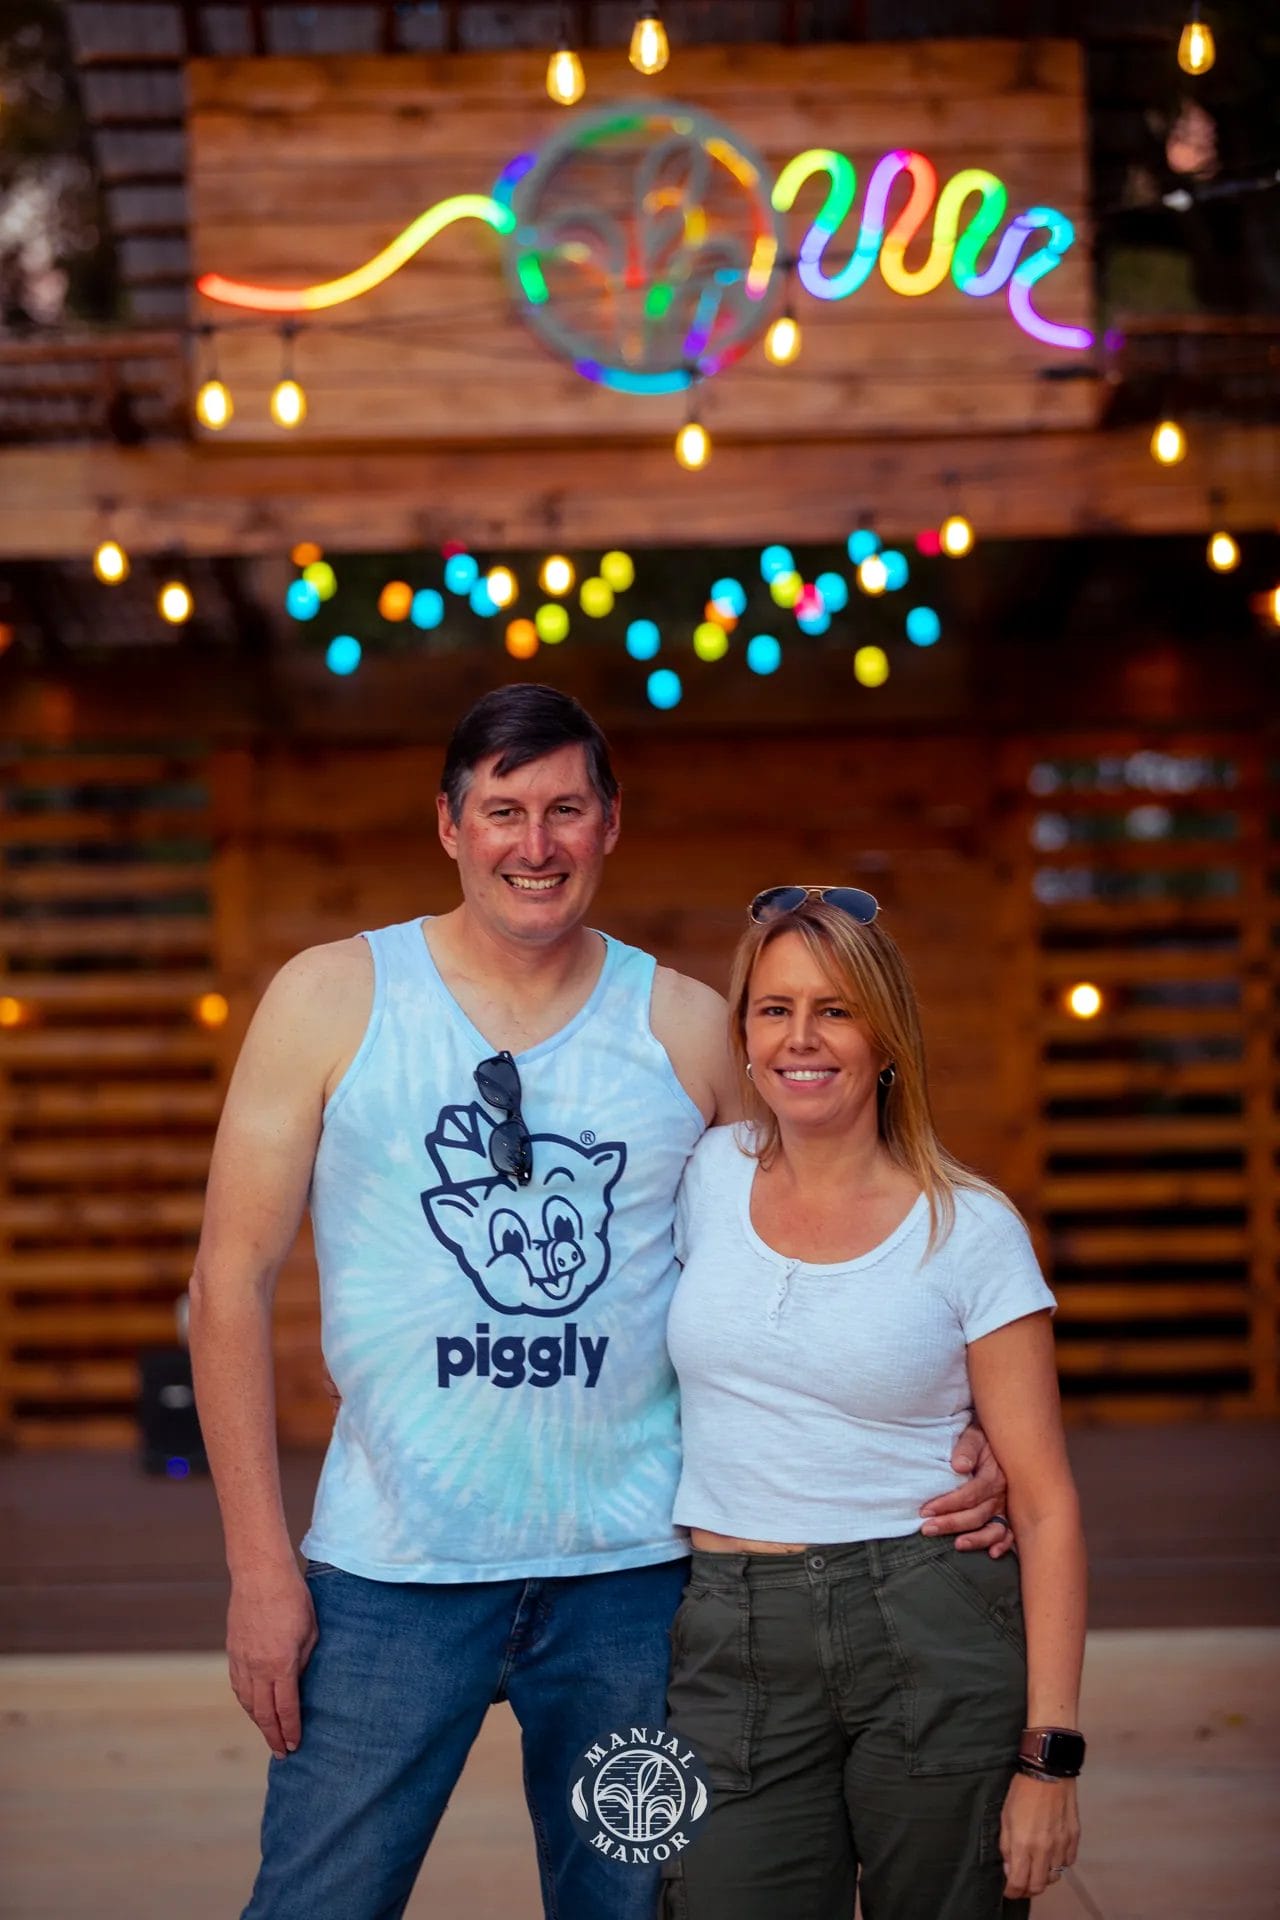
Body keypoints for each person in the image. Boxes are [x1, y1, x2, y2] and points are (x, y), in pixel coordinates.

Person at [189, 688, 1015, 1920]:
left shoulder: (684, 1026)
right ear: (449, 826)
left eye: (565, 809)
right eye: (504, 810)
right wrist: (260, 1569)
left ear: (609, 824)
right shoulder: (332, 997)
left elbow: (811, 1244)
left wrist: (962, 1424)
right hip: (385, 1574)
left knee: (632, 1912)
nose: (536, 843)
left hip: (633, 1590)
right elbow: (225, 1288)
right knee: (314, 1903)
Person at [664, 885, 1087, 1920]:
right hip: (731, 1626)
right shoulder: (701, 1177)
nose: (801, 1038)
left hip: (927, 1617)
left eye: (835, 1009)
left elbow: (1042, 1506)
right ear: (745, 1033)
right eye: (774, 1009)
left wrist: (1049, 1760)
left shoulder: (969, 1229)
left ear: (885, 1034)